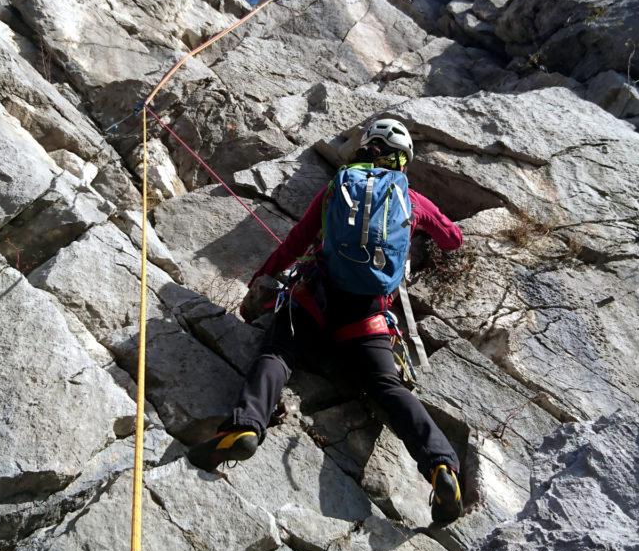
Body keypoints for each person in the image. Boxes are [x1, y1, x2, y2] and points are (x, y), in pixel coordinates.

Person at [188, 118, 466, 524]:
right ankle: (441, 465)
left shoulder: (338, 187)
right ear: (403, 161)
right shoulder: (413, 200)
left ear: (366, 147)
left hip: (314, 300)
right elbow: (453, 238)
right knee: (386, 386)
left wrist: (259, 279)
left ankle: (246, 425)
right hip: (366, 318)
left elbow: (296, 242)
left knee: (279, 352)